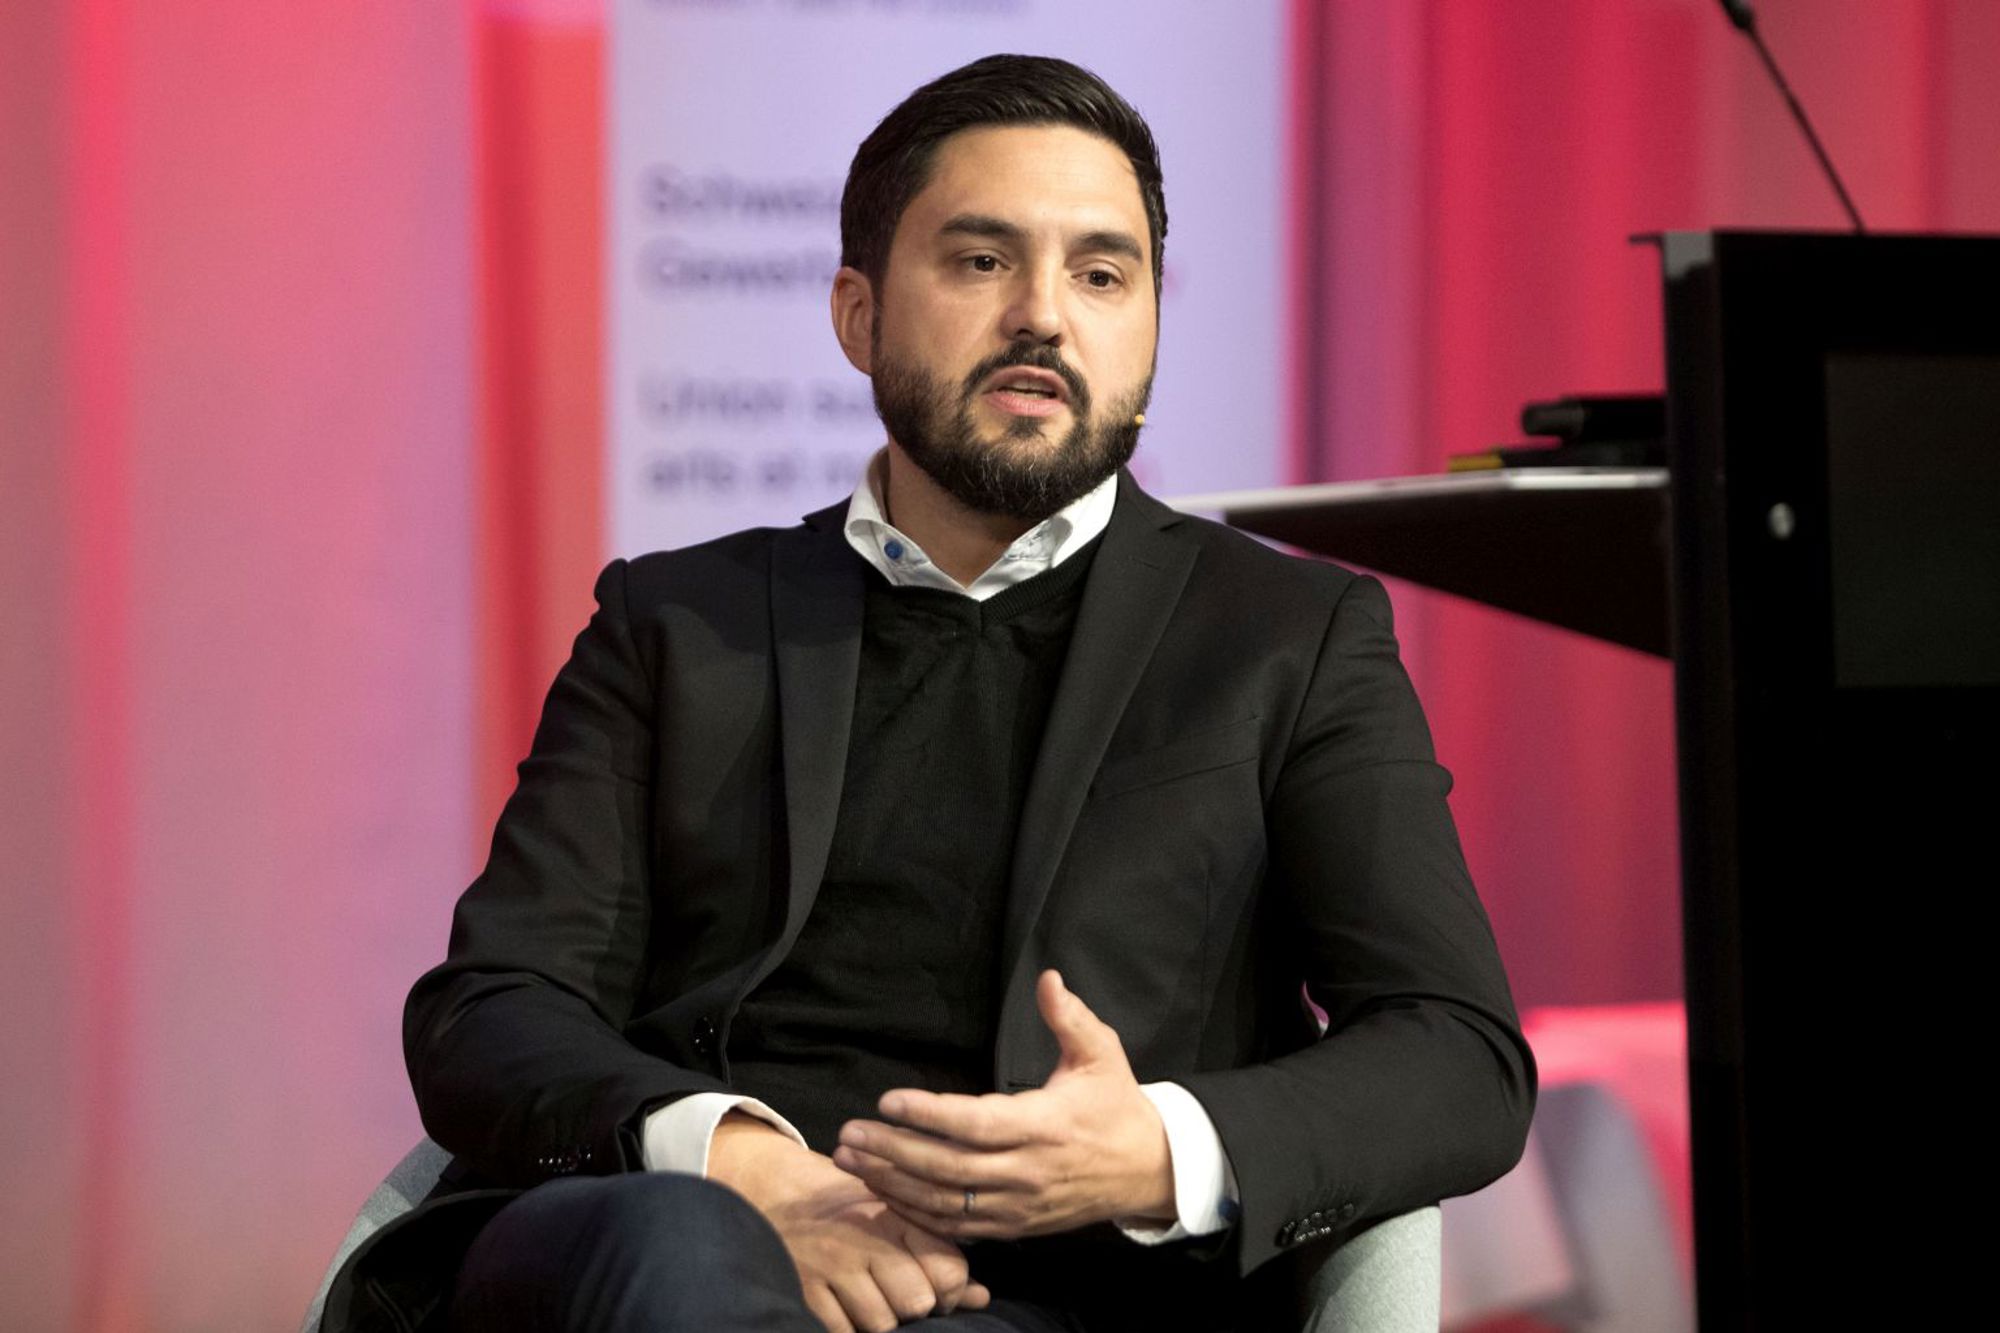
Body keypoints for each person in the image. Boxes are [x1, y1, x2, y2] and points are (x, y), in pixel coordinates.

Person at [324, 53, 1533, 1333]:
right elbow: (491, 1012)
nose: (1042, 316)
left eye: (1101, 274)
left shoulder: (1283, 637)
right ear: (857, 315)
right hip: (662, 1252)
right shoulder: (677, 625)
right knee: (674, 1247)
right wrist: (734, 1165)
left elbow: (1457, 1051)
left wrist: (1151, 1149)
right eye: (981, 260)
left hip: (1056, 1293)